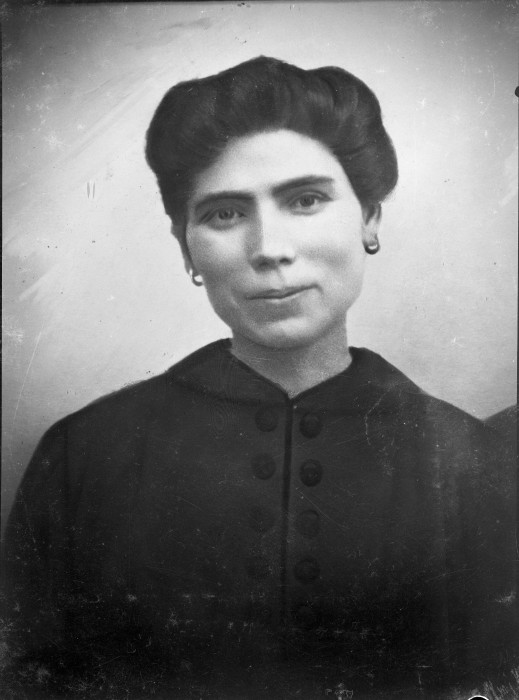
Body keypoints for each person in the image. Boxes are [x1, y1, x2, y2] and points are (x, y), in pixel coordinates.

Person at [3, 56, 516, 699]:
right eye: (224, 214)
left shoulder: (476, 464)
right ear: (186, 247)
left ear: (370, 219)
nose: (269, 248)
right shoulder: (82, 455)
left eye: (306, 200)